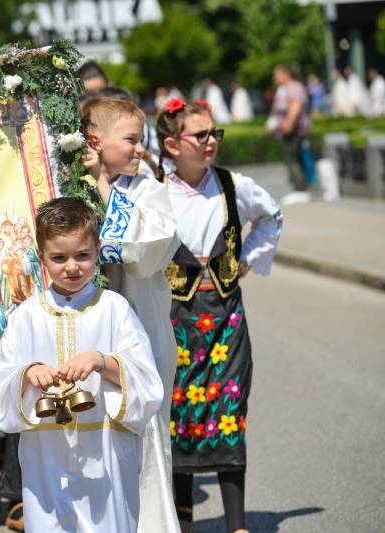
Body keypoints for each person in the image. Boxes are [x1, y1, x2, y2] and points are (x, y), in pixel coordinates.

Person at [0, 197, 164, 533]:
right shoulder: (25, 317)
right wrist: (27, 373)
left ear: (97, 251)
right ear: (41, 258)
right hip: (45, 457)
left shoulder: (115, 309)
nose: (72, 267)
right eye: (59, 258)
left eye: (82, 255)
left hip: (105, 455)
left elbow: (147, 380)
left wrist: (102, 361)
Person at [155, 98, 283, 533]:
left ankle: (237, 525)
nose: (211, 142)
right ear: (172, 145)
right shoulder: (155, 192)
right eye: (201, 135)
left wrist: (247, 257)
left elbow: (271, 216)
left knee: (227, 408)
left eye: (214, 133)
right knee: (180, 414)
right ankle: (183, 521)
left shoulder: (232, 185)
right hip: (176, 316)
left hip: (226, 313)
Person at [81, 95, 181, 532]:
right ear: (95, 141)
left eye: (141, 140)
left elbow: (148, 249)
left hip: (143, 330)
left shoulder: (149, 190)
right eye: (131, 140)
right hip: (86, 341)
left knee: (146, 438)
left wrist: (105, 190)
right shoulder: (71, 186)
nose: (140, 149)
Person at [267, 65, 310, 192]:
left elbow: (296, 105)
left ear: (286, 74)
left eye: (277, 74)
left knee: (293, 157)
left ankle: (301, 188)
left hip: (294, 129)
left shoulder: (294, 87)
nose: (275, 78)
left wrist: (289, 123)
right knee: (291, 157)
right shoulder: (282, 89)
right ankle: (299, 186)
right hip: (286, 130)